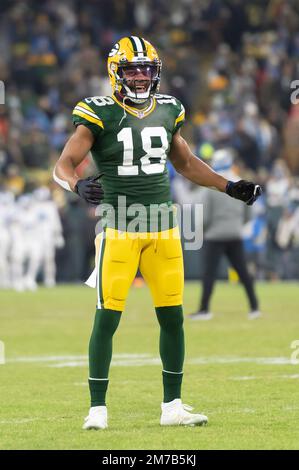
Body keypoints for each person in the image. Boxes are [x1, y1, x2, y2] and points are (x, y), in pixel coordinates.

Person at [53, 36, 261, 430]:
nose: (140, 76)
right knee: (107, 317)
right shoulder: (98, 112)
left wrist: (228, 185)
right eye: (132, 69)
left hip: (164, 229)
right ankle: (97, 408)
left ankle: (173, 407)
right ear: (116, 73)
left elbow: (184, 162)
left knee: (173, 317)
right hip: (119, 227)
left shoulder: (169, 110)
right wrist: (75, 184)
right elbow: (64, 163)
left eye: (147, 69)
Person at [188, 149, 261, 320]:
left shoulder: (213, 184)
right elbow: (249, 212)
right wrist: (236, 225)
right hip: (235, 234)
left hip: (215, 236)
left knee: (209, 274)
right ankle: (254, 308)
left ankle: (204, 310)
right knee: (243, 272)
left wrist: (203, 230)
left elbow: (204, 215)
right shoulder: (240, 182)